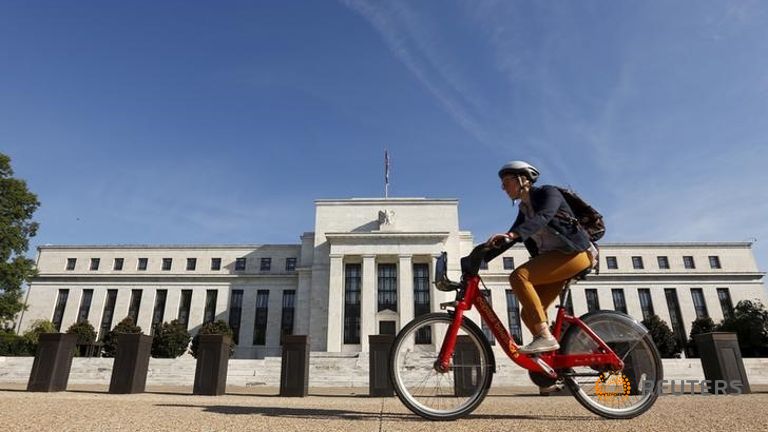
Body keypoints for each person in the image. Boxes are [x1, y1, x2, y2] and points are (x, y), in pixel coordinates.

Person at [486, 161, 595, 354]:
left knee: (519, 276)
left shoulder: (548, 193)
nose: (503, 188)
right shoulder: (524, 210)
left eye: (506, 182)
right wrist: (478, 258)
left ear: (523, 179)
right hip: (555, 259)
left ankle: (544, 337)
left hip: (576, 253)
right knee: (528, 315)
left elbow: (544, 216)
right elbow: (510, 238)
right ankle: (555, 363)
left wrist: (513, 235)